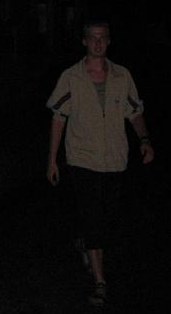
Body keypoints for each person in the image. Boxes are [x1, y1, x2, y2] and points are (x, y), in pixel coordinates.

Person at [46, 20, 154, 308]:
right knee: (93, 217)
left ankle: (87, 242)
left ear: (109, 41)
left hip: (115, 160)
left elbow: (134, 112)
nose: (97, 43)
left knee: (107, 218)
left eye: (102, 38)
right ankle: (100, 281)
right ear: (84, 41)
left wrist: (144, 140)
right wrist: (52, 159)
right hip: (82, 158)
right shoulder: (71, 77)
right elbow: (58, 117)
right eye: (92, 38)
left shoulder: (122, 76)